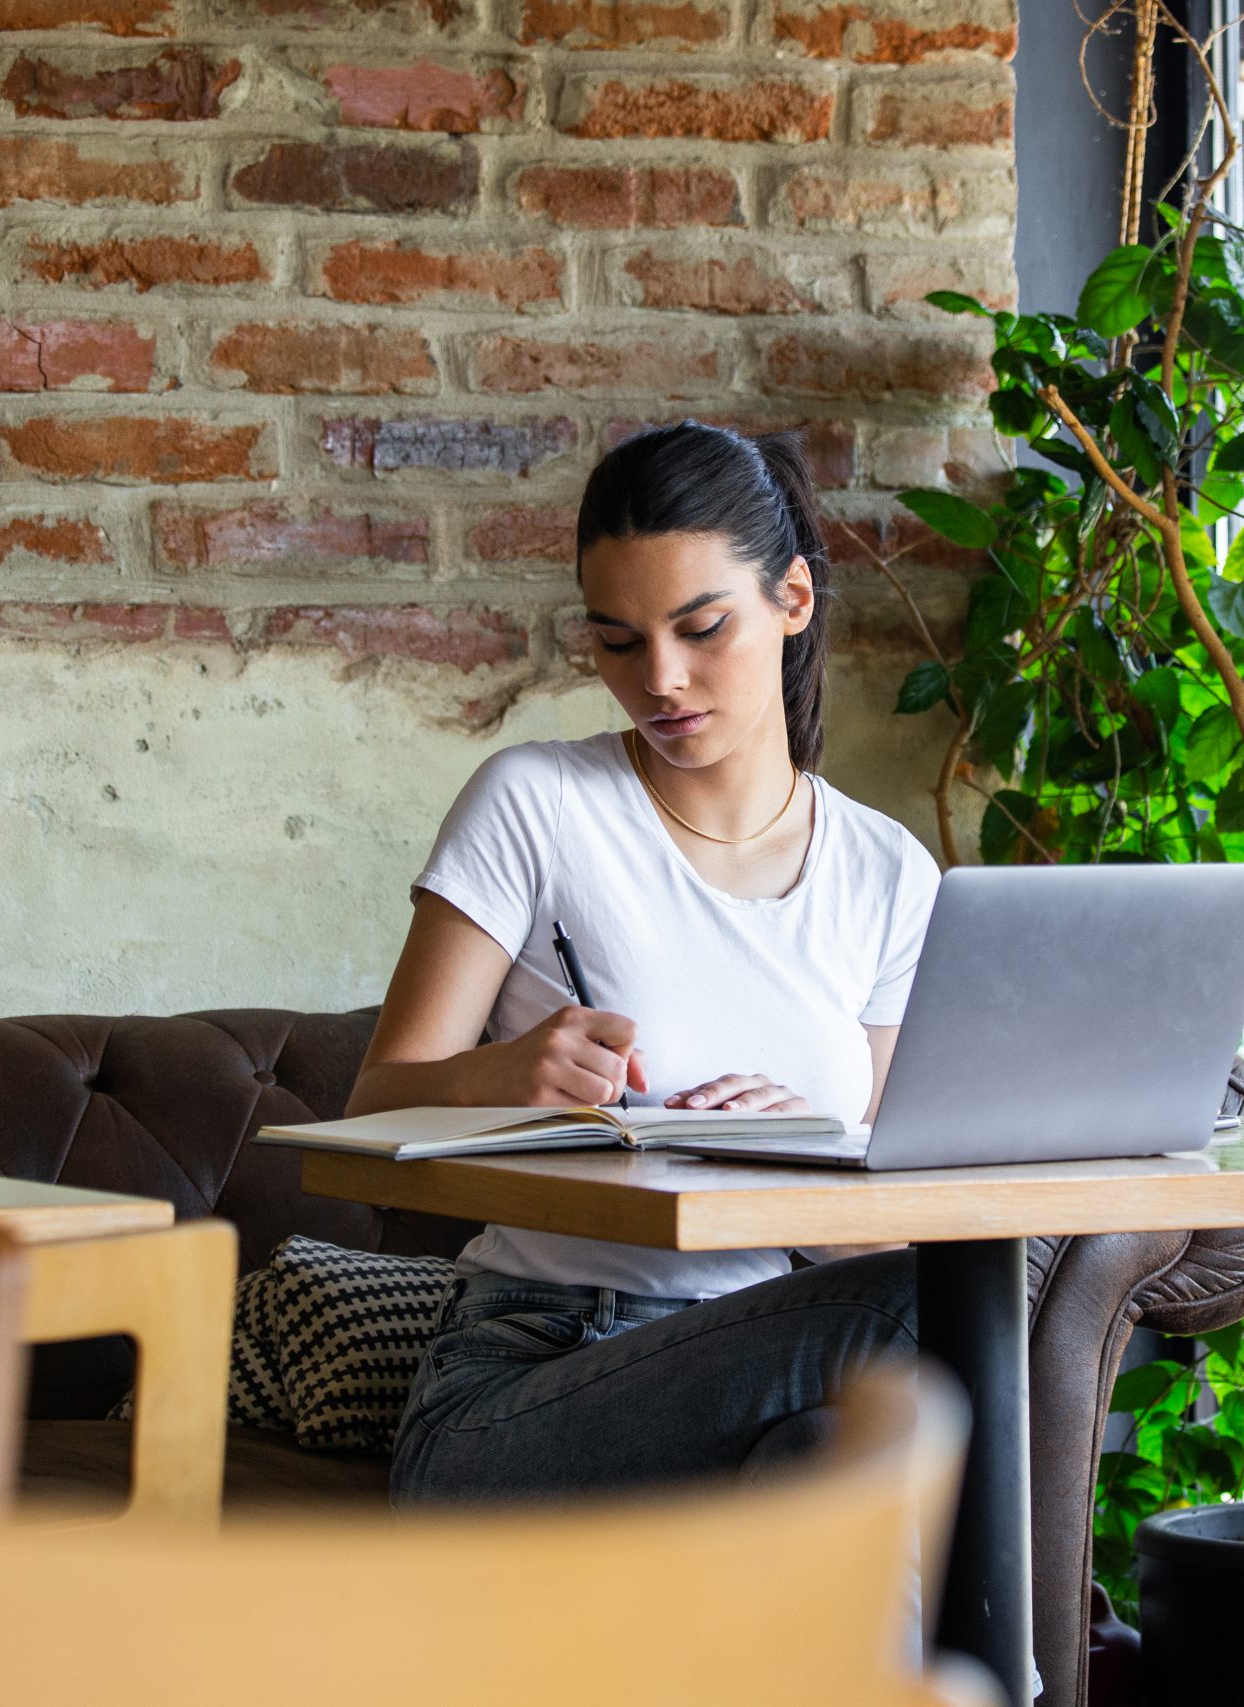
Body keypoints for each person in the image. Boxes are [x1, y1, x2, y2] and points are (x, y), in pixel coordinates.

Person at [353, 421, 943, 1506]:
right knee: (922, 1317)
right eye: (618, 642)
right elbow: (374, 1105)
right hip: (533, 1369)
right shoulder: (534, 802)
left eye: (701, 627)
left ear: (794, 602)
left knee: (836, 1449)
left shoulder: (887, 871)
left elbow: (895, 1210)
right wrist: (494, 1078)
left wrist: (793, 1159)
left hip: (766, 1356)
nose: (662, 680)